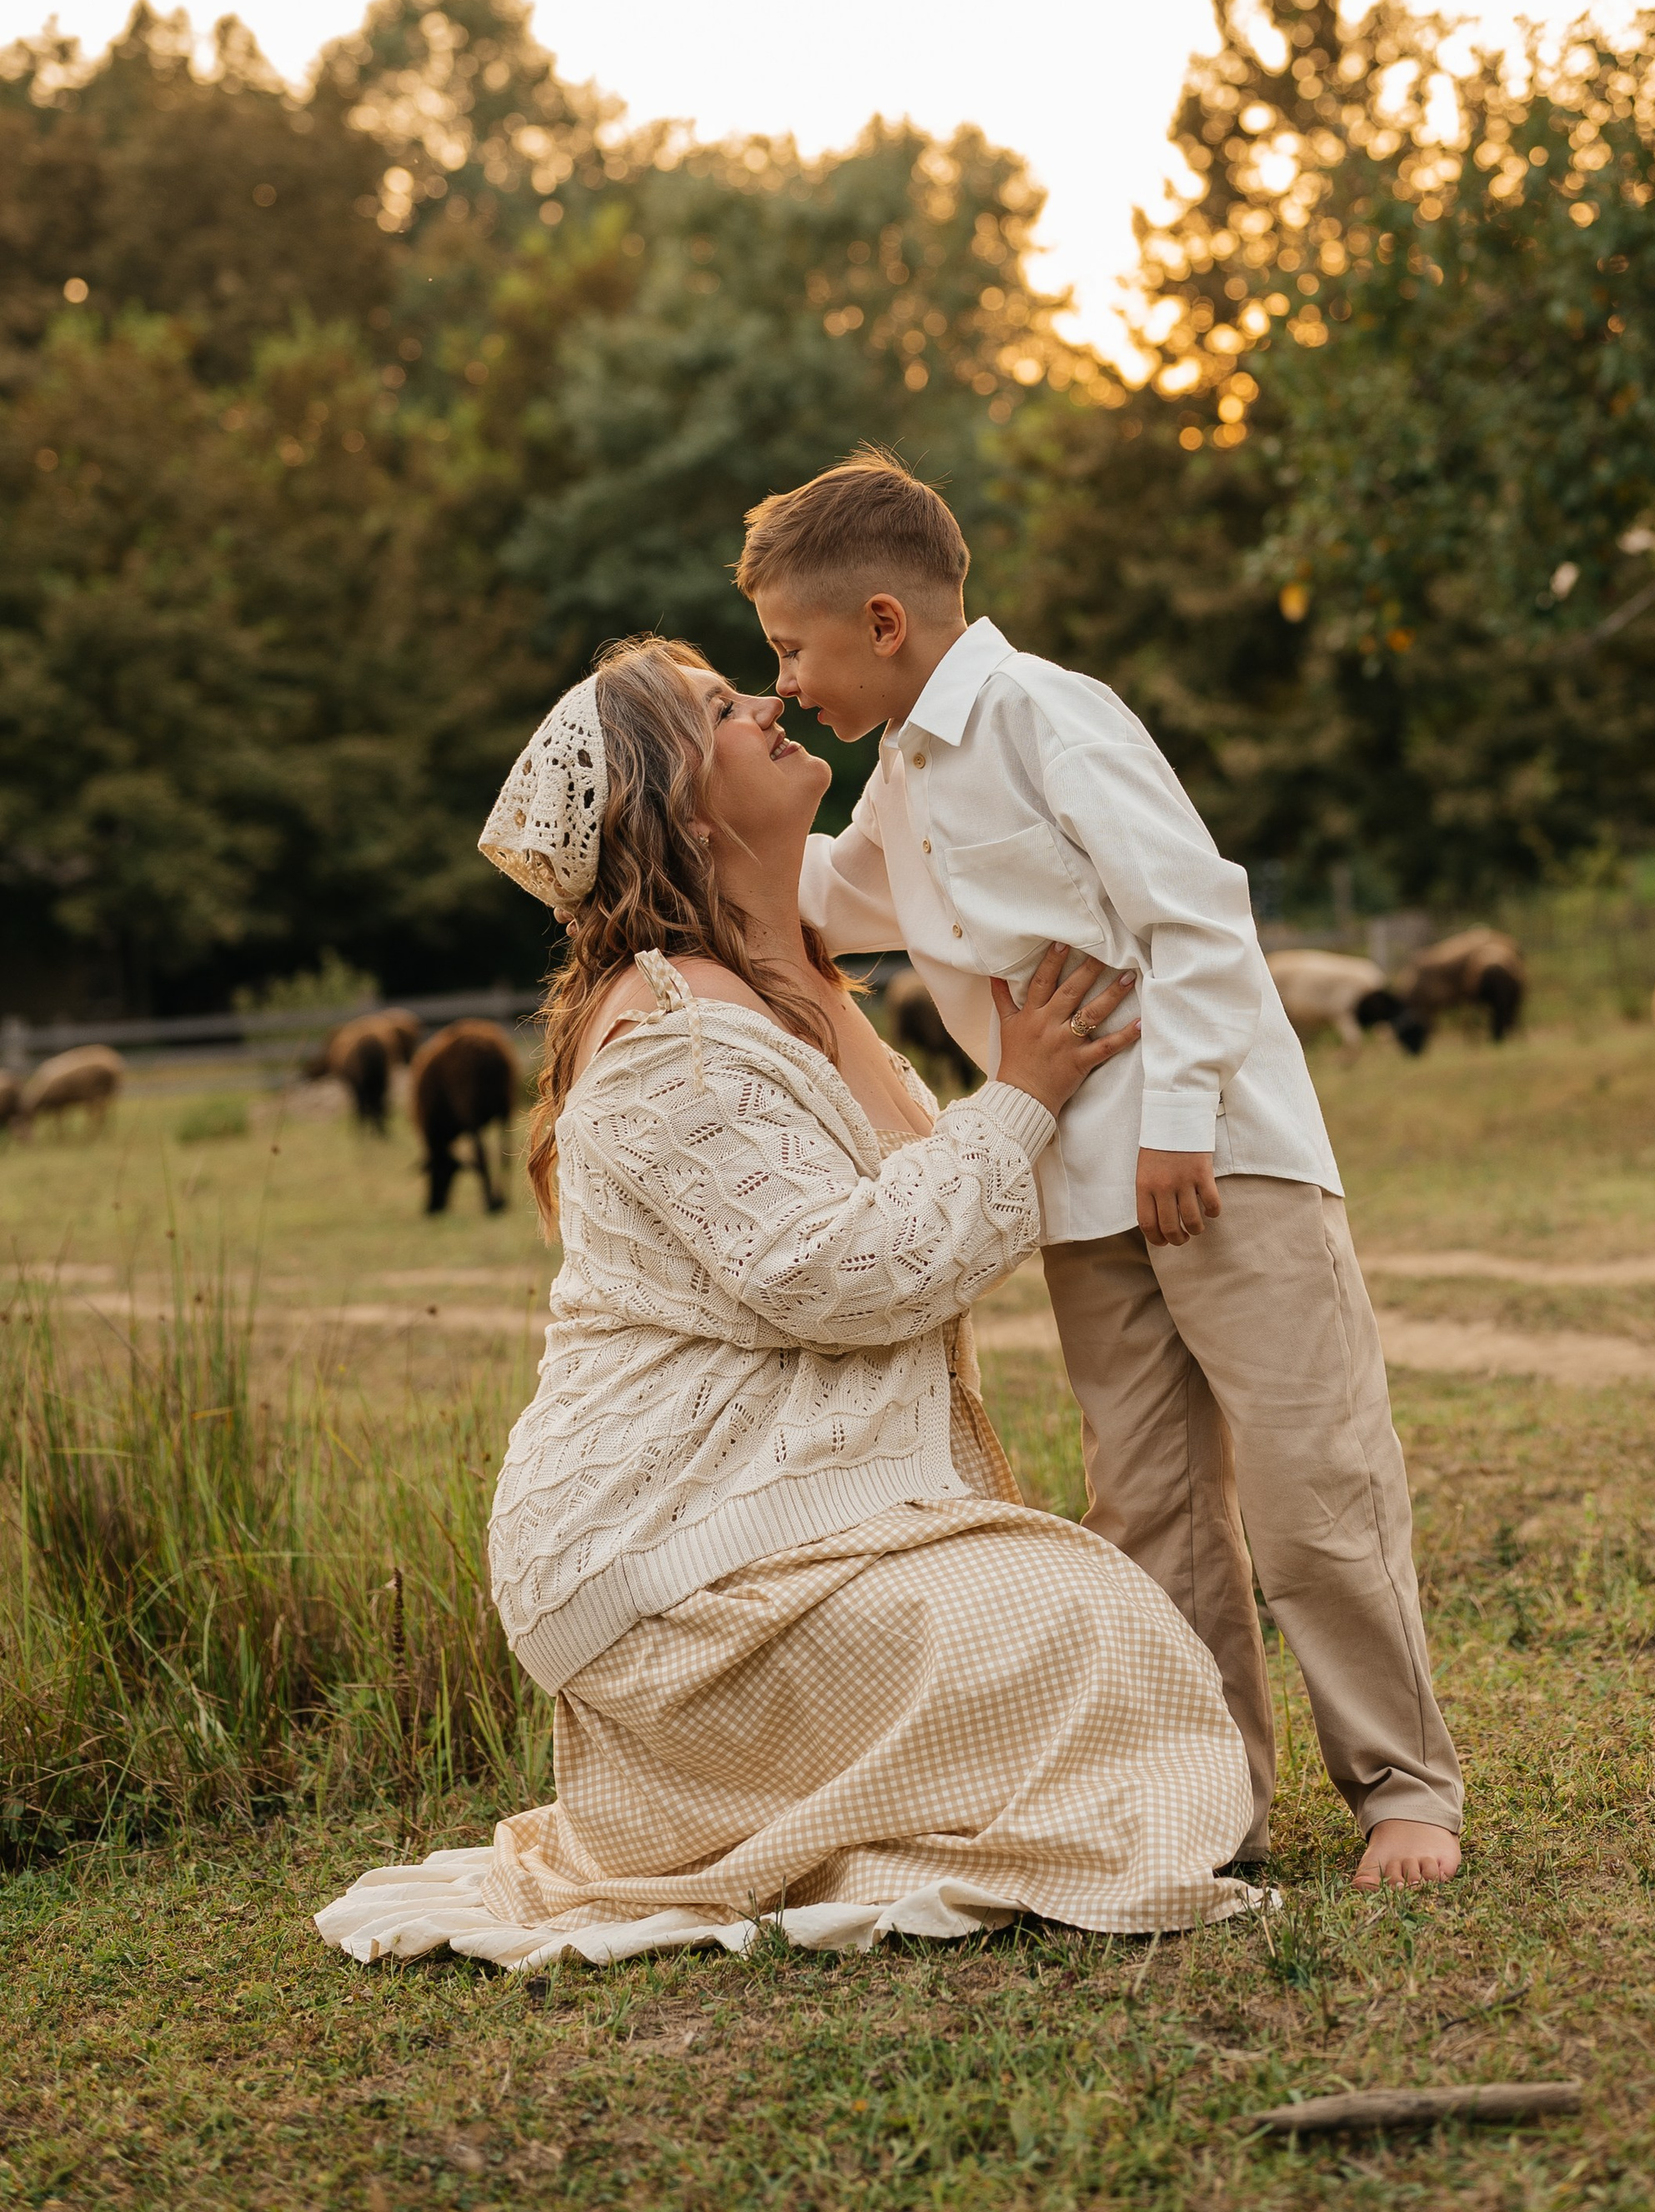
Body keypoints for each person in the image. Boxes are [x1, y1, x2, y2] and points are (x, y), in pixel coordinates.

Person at [314, 635, 1256, 1969]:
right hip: (667, 1552)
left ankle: (818, 1811)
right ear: (683, 806)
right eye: (719, 707)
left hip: (779, 1522)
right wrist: (1026, 1096)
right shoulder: (667, 1037)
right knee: (1084, 1617)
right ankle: (740, 1812)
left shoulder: (810, 984)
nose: (767, 701)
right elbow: (844, 1276)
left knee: (1085, 1608)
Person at [741, 453, 1464, 1891]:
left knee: (1313, 1484)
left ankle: (1404, 1786)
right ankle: (1211, 1809)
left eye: (790, 649)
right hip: (1074, 1188)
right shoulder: (900, 773)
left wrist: (1180, 1119)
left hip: (1216, 1160)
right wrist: (692, 845)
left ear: (883, 623)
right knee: (1148, 1509)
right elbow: (834, 897)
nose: (782, 685)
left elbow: (1197, 914)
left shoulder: (1044, 714)